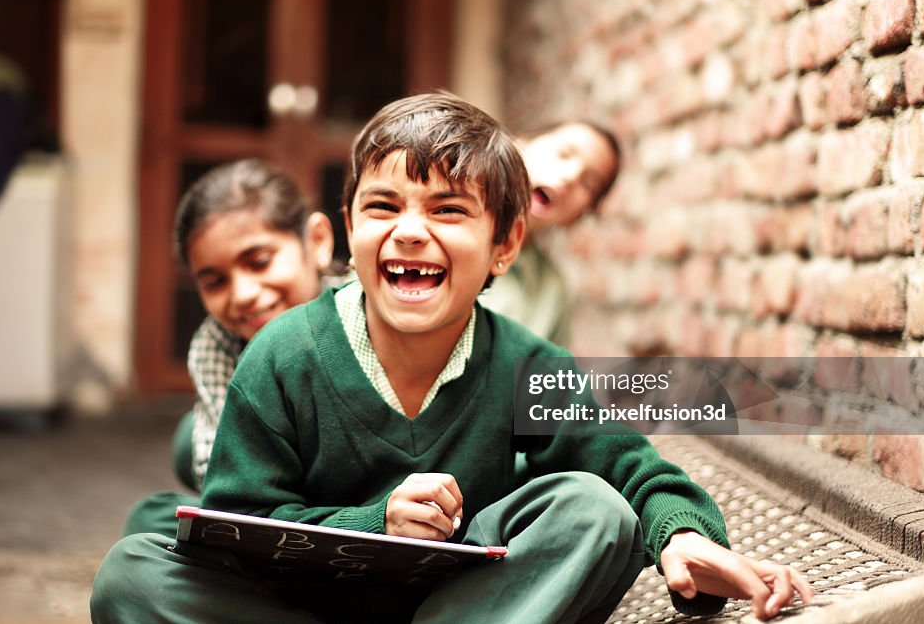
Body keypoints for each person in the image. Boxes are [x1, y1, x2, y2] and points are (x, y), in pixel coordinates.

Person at [92, 92, 811, 623]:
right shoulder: (283, 355)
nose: (409, 231)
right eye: (382, 207)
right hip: (297, 607)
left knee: (594, 510)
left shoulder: (529, 364)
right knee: (132, 572)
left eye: (447, 209)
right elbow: (243, 523)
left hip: (466, 604)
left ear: (506, 243)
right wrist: (378, 522)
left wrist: (682, 536)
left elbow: (630, 466)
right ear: (349, 228)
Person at [121, 159, 335, 538]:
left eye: (259, 262)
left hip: (365, 509)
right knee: (152, 516)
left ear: (316, 241)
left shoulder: (362, 311)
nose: (243, 295)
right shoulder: (216, 344)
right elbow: (223, 476)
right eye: (216, 281)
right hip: (272, 513)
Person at [480, 120, 620, 347]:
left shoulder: (552, 292)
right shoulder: (439, 227)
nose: (570, 176)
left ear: (578, 216)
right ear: (520, 143)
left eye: (588, 183)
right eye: (563, 153)